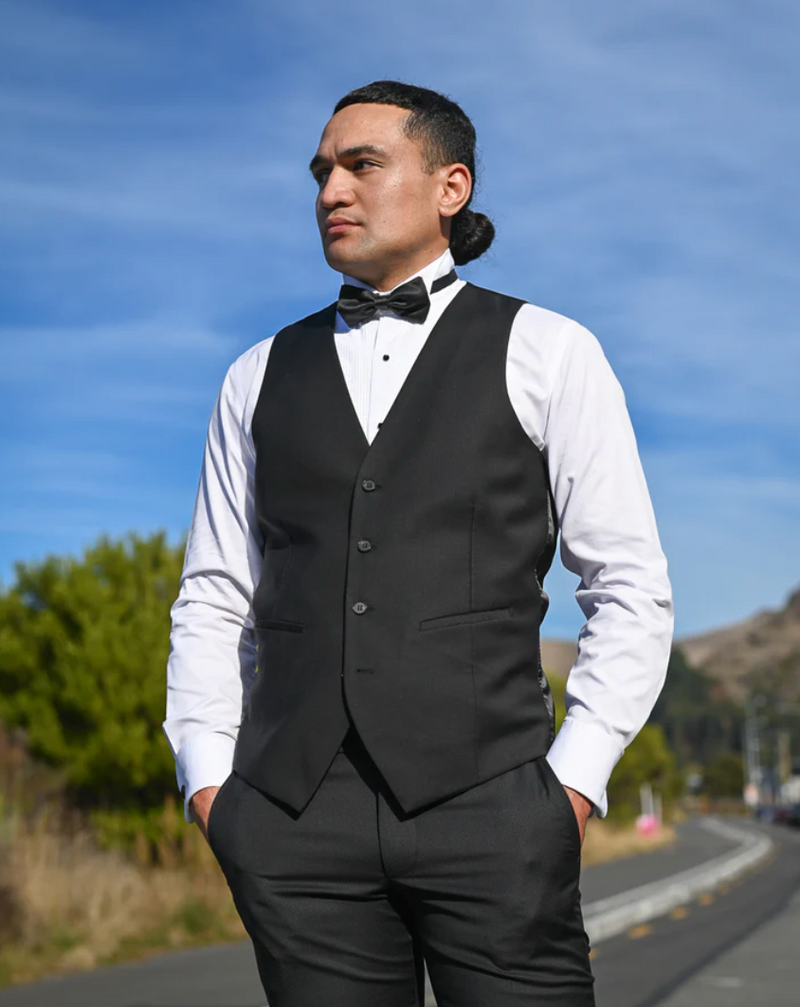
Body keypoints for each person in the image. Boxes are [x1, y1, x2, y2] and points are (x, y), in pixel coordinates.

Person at [163, 80, 673, 1006]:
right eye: (321, 172)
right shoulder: (255, 374)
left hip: (497, 813)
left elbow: (628, 585)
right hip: (292, 820)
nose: (330, 191)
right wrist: (211, 783)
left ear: (451, 186)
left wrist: (570, 787)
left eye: (361, 165)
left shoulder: (550, 350)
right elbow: (214, 595)